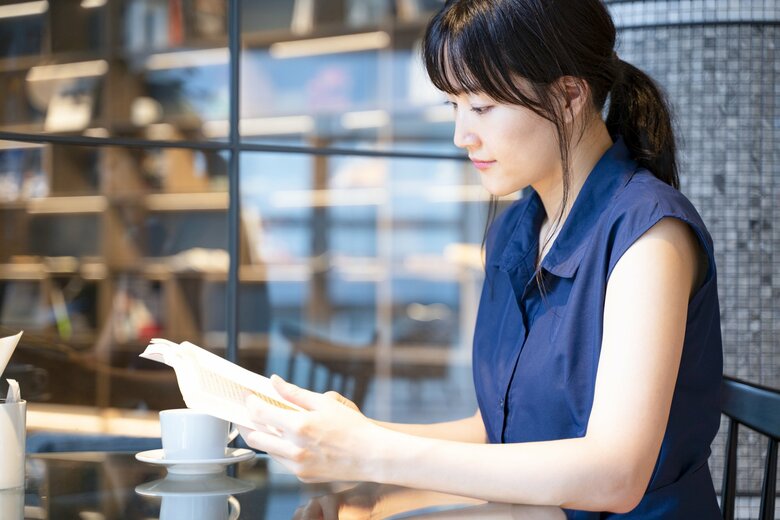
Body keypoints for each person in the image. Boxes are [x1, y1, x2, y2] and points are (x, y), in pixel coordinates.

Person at [239, 0, 723, 518]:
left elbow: (614, 476)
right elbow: (495, 431)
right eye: (454, 105)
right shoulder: (514, 231)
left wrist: (371, 452)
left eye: (482, 107)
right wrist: (349, 438)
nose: (461, 135)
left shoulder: (650, 234)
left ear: (567, 97)